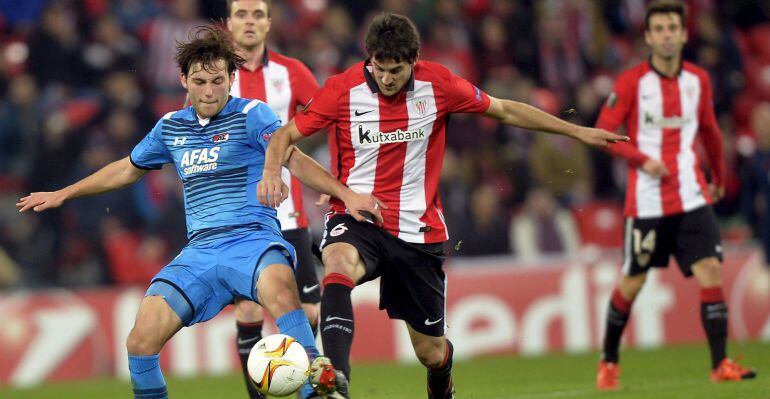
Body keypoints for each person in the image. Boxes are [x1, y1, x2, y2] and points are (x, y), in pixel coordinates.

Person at [257, 13, 627, 398]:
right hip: (359, 215)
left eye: (396, 70)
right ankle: (333, 379)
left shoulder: (440, 83)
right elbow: (284, 136)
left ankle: (442, 381)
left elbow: (503, 110)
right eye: (379, 69)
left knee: (431, 353)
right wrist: (273, 172)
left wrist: (575, 130)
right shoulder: (342, 89)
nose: (386, 79)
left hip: (418, 230)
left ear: (413, 61)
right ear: (369, 59)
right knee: (336, 263)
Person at [16, 26, 379, 399]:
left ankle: (318, 385)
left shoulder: (252, 114)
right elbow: (127, 168)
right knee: (140, 340)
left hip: (253, 241)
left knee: (282, 292)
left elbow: (293, 158)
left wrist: (345, 194)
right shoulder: (171, 127)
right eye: (201, 81)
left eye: (218, 81)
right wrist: (65, 193)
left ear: (231, 79)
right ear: (184, 81)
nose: (209, 91)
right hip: (200, 252)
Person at [594, 0, 756, 390]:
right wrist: (641, 159)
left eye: (673, 27)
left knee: (710, 271)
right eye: (660, 28)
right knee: (632, 283)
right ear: (648, 36)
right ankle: (609, 360)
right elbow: (603, 132)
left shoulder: (698, 79)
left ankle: (720, 364)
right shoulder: (632, 82)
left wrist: (717, 175)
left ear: (684, 34)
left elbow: (710, 131)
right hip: (647, 202)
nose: (667, 34)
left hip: (691, 194)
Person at [224, 2, 324, 398]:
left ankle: (288, 378)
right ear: (228, 22)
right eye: (242, 14)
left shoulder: (292, 72)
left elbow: (324, 117)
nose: (250, 21)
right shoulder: (215, 76)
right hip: (236, 215)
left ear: (268, 22)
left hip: (288, 210)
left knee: (310, 311)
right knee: (249, 311)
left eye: (257, 14)